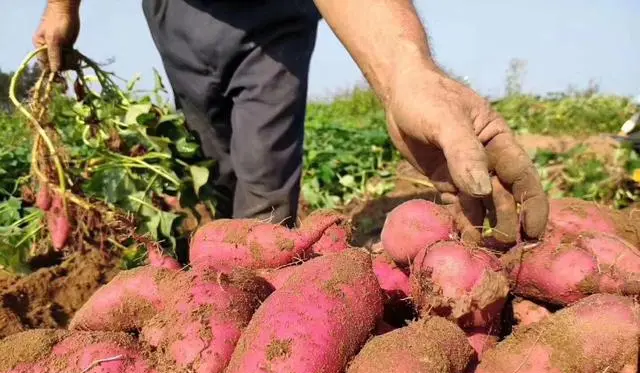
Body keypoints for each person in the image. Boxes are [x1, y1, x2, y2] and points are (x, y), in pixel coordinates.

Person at [34, 0, 549, 244]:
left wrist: (405, 70)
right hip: (178, 13)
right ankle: (216, 267)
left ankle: (260, 275)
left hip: (274, 17)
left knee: (263, 177)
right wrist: (61, 7)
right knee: (211, 159)